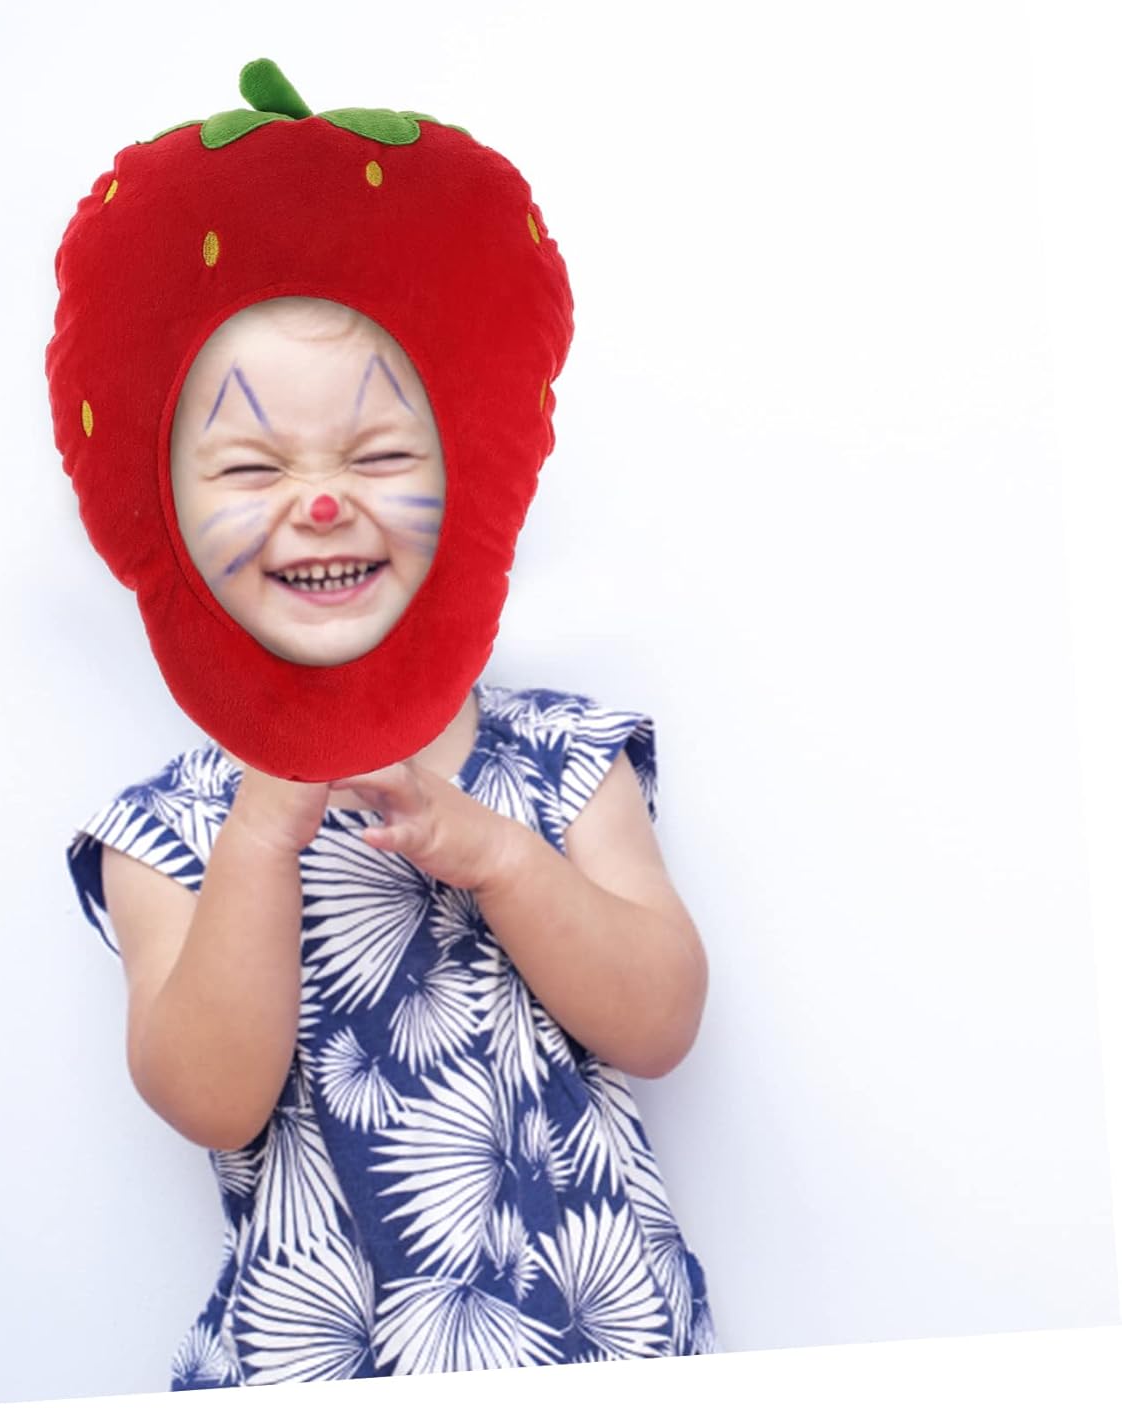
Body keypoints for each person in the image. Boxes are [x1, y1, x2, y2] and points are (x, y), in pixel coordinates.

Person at [65, 294, 717, 1388]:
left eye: (377, 455)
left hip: (603, 1342)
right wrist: (261, 832)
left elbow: (663, 1021)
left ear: (461, 477)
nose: (322, 503)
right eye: (252, 469)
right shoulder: (168, 829)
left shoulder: (565, 755)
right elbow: (208, 1099)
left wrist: (501, 857)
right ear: (168, 515)